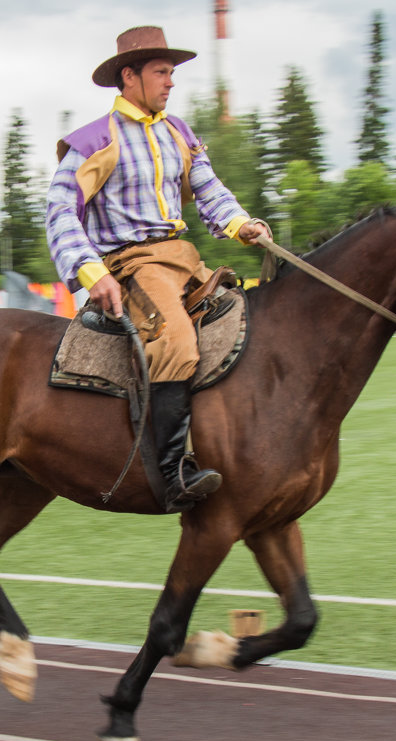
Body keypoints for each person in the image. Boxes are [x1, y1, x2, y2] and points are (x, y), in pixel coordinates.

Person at [46, 25, 269, 511]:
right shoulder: (92, 141)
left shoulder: (179, 133)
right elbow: (61, 212)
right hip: (130, 264)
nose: (171, 82)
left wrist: (242, 224)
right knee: (176, 340)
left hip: (184, 257)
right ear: (130, 76)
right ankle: (172, 475)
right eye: (161, 73)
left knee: (248, 323)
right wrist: (91, 272)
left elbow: (210, 191)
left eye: (171, 73)